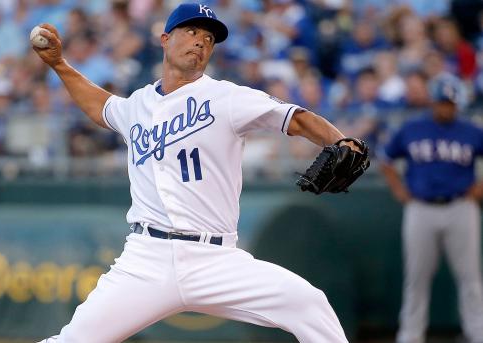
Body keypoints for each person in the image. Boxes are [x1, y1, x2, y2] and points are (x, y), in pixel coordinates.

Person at [34, 4, 363, 342]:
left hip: (216, 260)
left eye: (208, 38)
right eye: (191, 32)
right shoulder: (136, 104)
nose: (201, 42)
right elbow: (100, 106)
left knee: (309, 303)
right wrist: (60, 65)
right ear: (165, 39)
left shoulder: (227, 98)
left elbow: (297, 118)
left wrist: (342, 141)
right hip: (147, 259)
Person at [380, 74, 483, 343]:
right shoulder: (413, 128)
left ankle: (478, 332)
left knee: (470, 277)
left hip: (461, 206)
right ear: (432, 102)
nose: (445, 107)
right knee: (417, 277)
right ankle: (411, 336)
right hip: (421, 208)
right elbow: (385, 158)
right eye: (441, 102)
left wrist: (479, 188)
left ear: (457, 103)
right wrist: (398, 189)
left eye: (449, 103)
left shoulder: (471, 131)